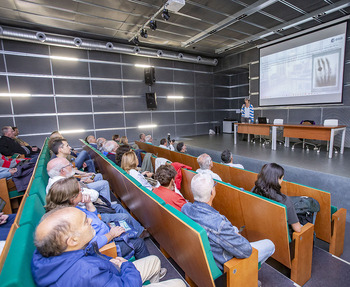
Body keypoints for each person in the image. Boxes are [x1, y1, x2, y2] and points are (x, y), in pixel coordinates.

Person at [31, 207, 185, 287]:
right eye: (85, 222)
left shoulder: (47, 255)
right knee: (178, 283)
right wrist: (125, 266)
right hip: (120, 280)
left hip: (111, 275)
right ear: (72, 240)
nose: (91, 222)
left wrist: (111, 264)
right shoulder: (87, 272)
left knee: (153, 260)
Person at [182, 173, 275, 282]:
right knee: (270, 244)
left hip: (201, 258)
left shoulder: (185, 208)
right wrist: (238, 238)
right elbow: (246, 250)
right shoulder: (219, 224)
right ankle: (245, 275)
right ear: (212, 192)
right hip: (224, 263)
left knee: (234, 229)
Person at [46, 177, 150, 259]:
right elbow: (91, 245)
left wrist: (88, 203)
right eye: (80, 191)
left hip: (105, 234)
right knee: (139, 243)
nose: (82, 191)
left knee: (128, 228)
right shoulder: (70, 218)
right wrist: (111, 234)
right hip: (105, 247)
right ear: (72, 198)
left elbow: (94, 216)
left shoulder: (72, 208)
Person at [46, 158, 147, 237]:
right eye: (69, 165)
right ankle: (137, 235)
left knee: (119, 208)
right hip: (89, 215)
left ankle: (140, 231)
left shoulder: (60, 181)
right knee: (124, 217)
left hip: (89, 209)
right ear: (62, 170)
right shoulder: (62, 186)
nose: (72, 166)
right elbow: (93, 196)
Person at [251, 163, 301, 233]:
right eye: (282, 178)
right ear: (276, 179)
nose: (282, 181)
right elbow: (297, 229)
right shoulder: (285, 200)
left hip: (258, 230)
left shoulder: (254, 190)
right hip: (279, 237)